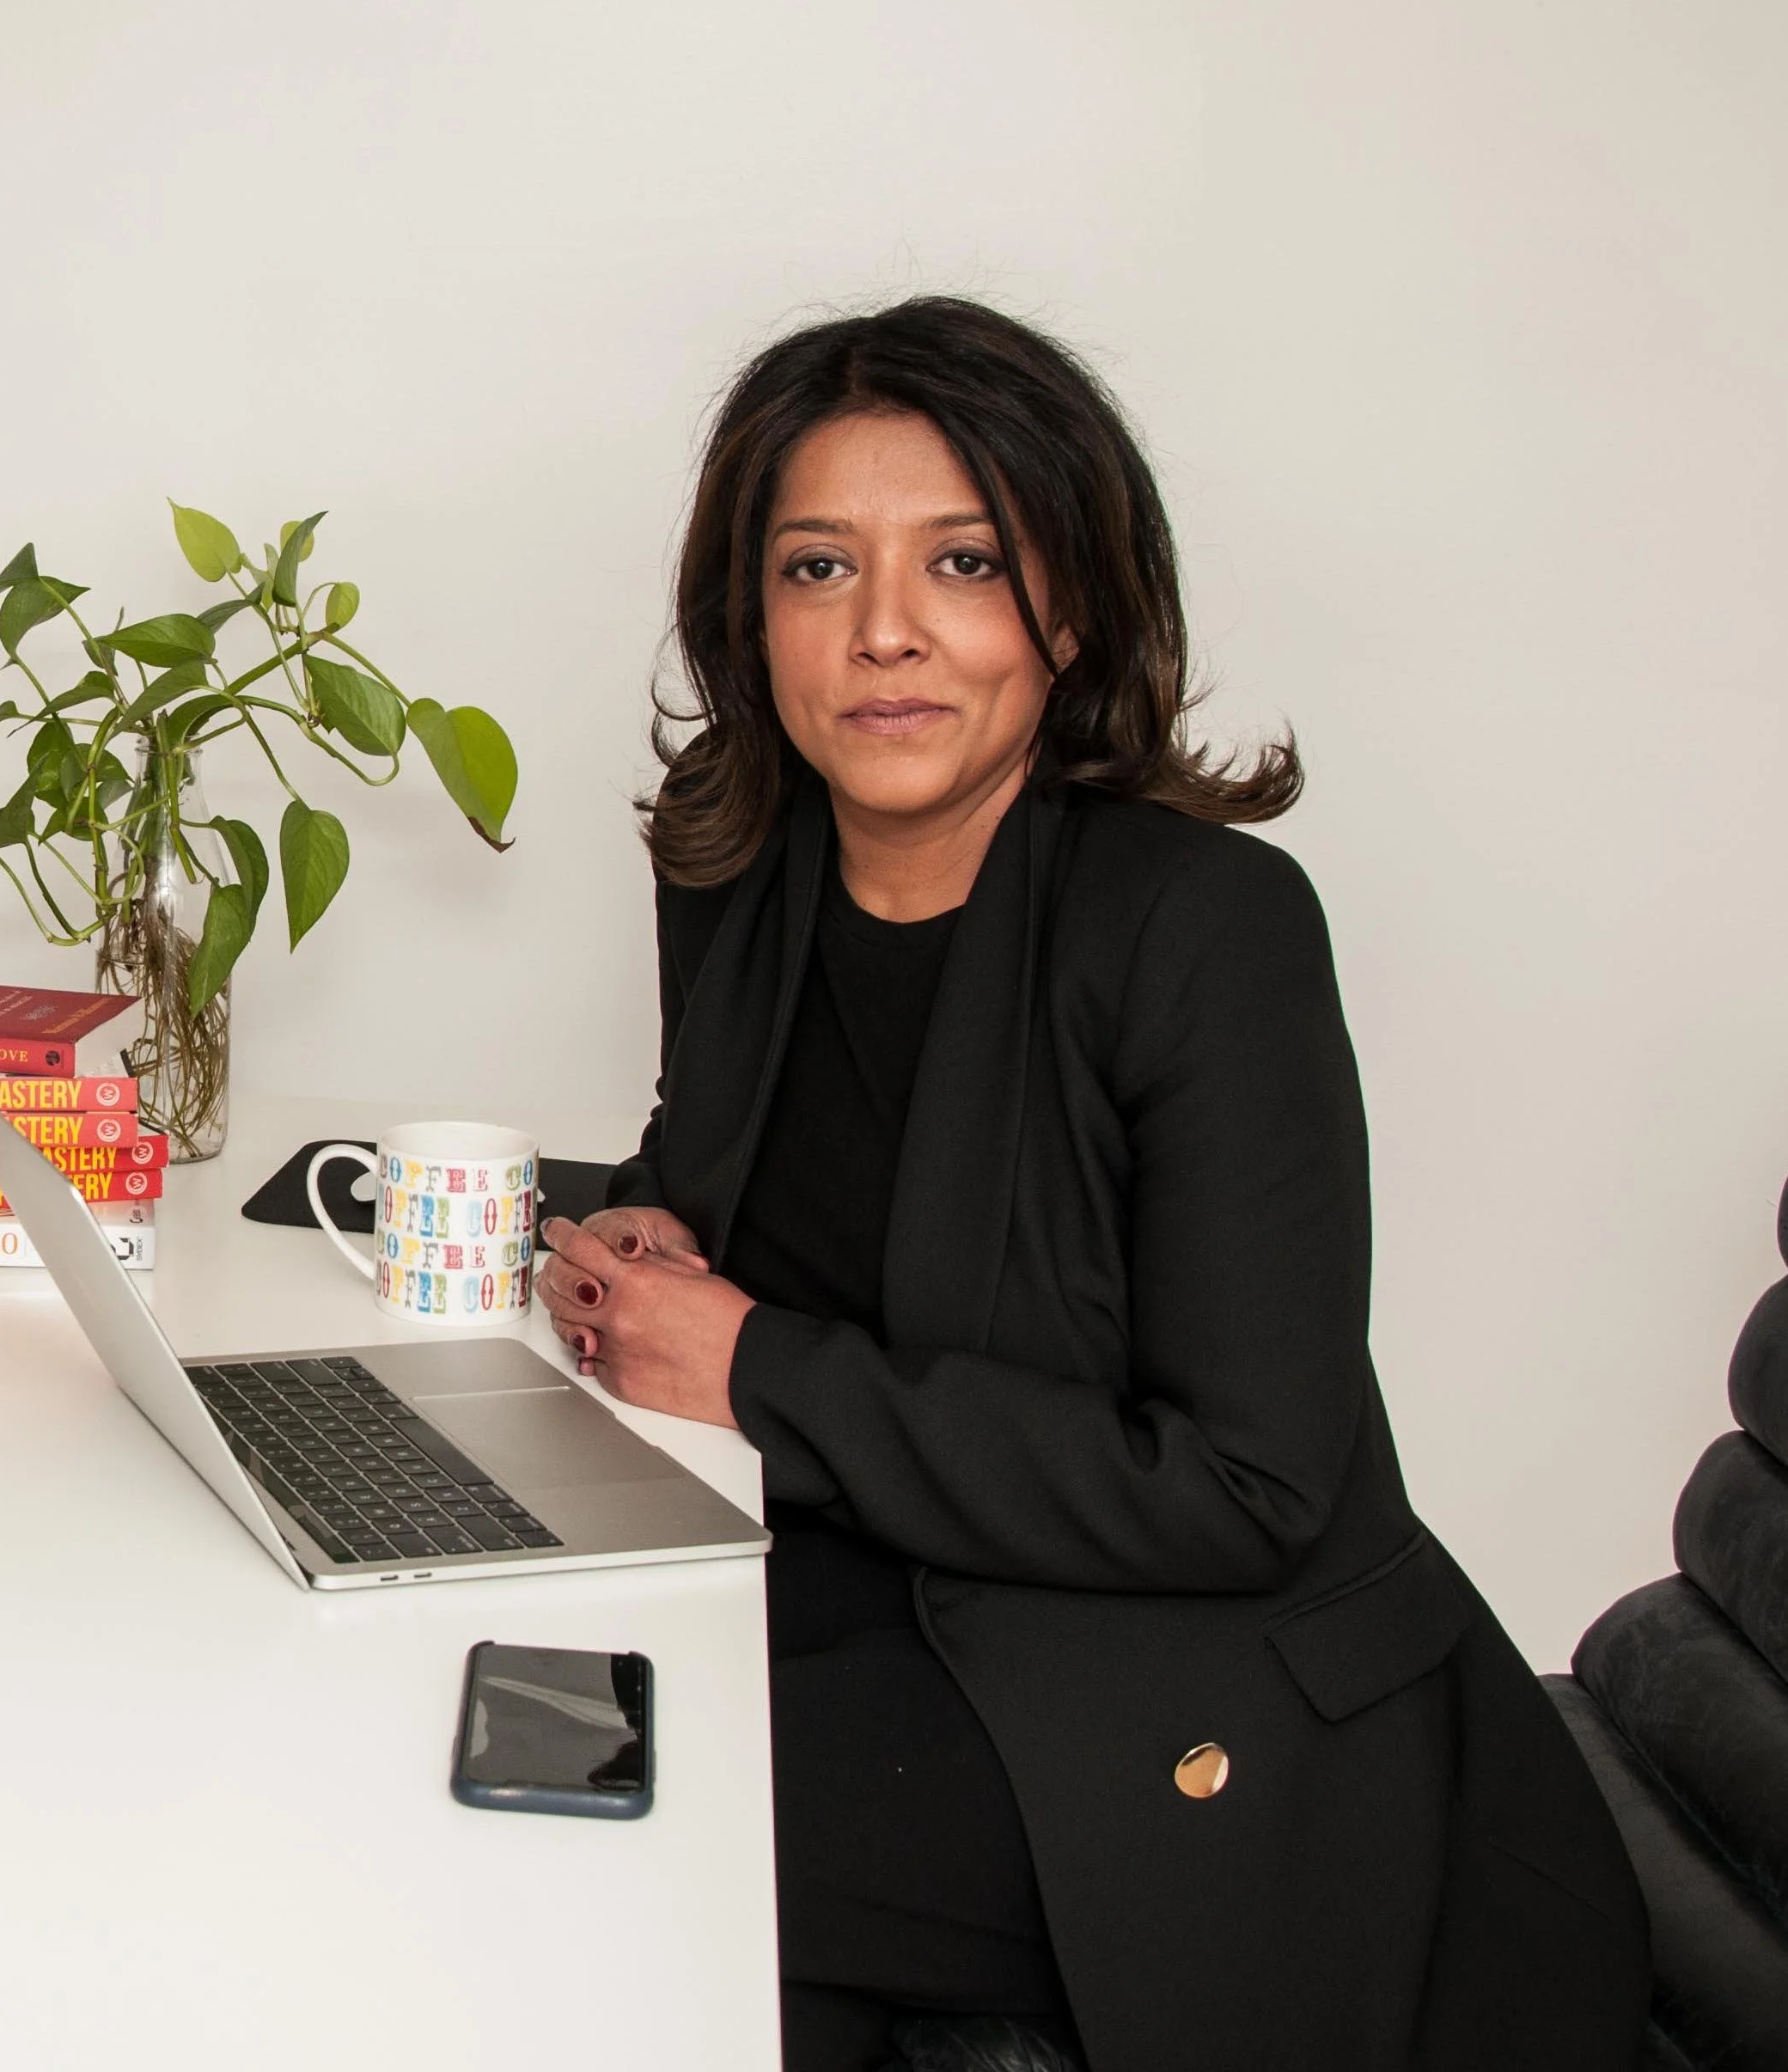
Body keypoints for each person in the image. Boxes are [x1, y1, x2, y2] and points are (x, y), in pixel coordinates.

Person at [537, 297, 1651, 2072]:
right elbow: (736, 1164)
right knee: (535, 1781)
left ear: (1072, 603)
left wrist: (750, 1366)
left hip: (1202, 1695)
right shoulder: (743, 859)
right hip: (874, 1604)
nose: (884, 630)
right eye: (817, 568)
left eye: (962, 561)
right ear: (751, 619)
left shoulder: (1202, 930)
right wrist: (641, 1232)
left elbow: (1251, 1485)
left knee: (579, 1835)